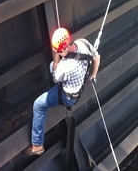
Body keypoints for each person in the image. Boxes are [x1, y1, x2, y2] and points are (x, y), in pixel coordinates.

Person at [24, 27, 100, 156]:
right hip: (78, 89)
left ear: (64, 49)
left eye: (59, 50)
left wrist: (56, 56)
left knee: (38, 105)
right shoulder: (83, 42)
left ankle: (37, 145)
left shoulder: (65, 67)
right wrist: (93, 75)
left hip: (68, 96)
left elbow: (55, 77)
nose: (58, 52)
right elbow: (97, 57)